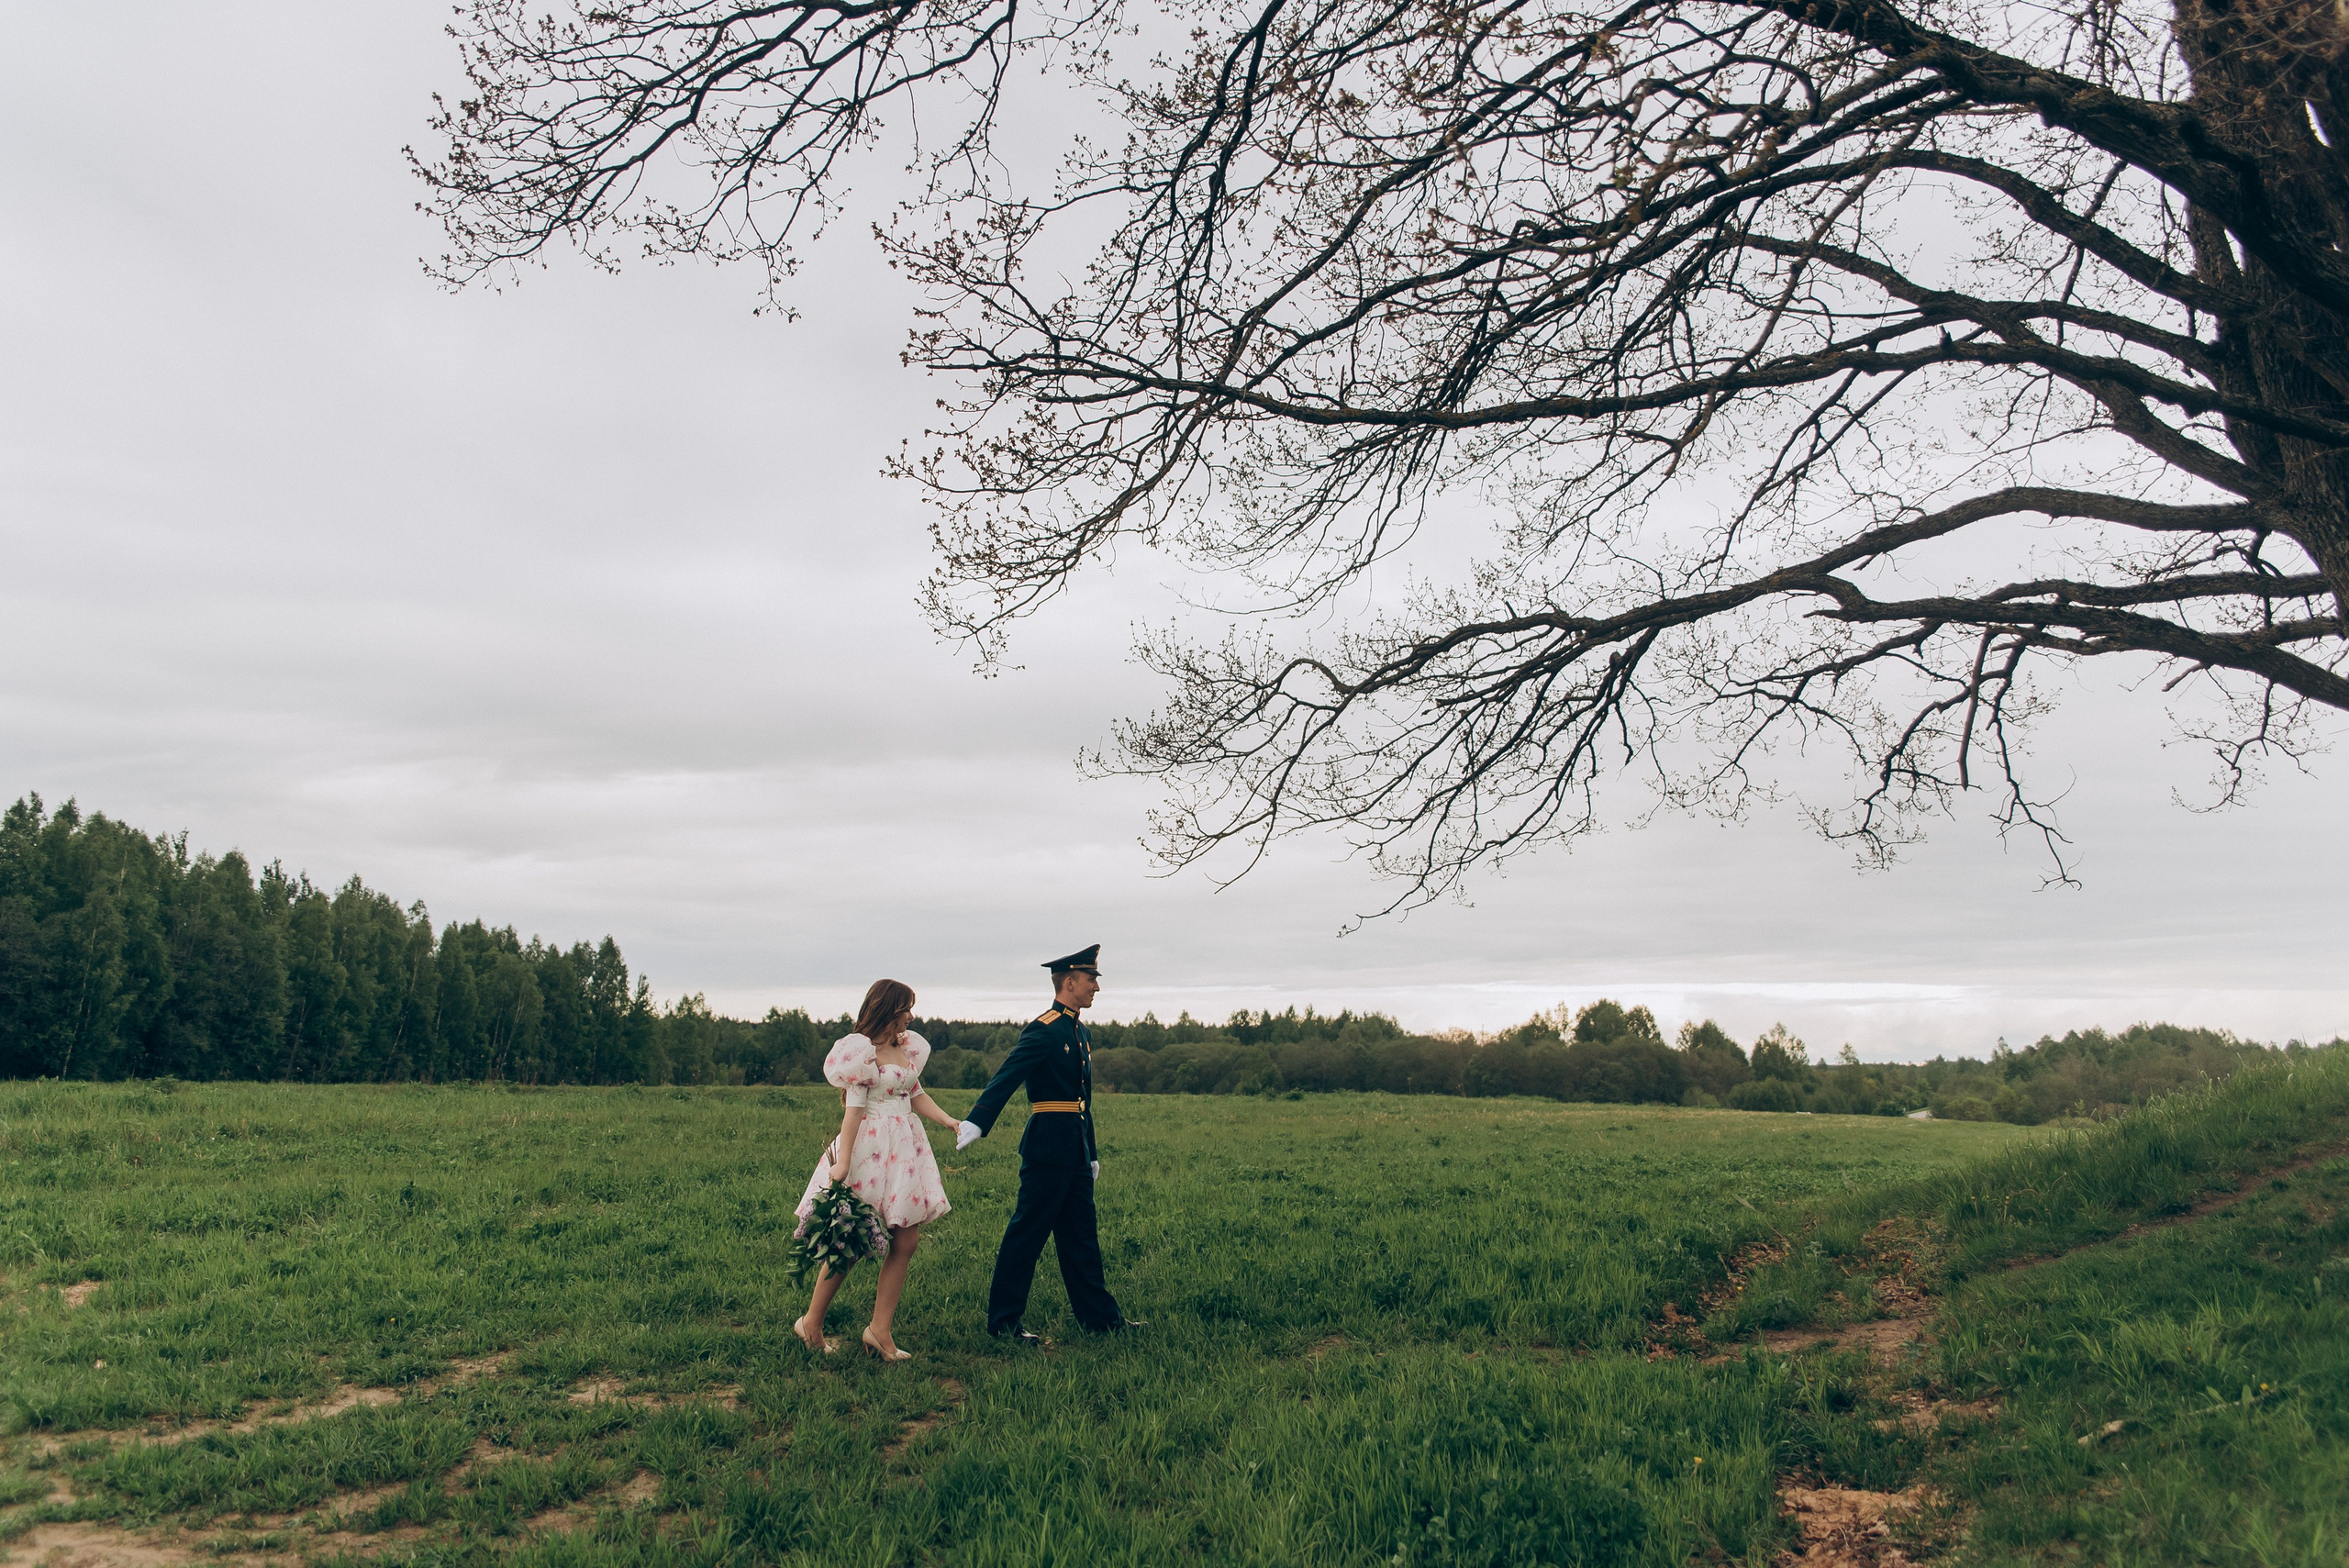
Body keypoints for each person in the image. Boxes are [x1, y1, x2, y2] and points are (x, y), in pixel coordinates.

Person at [953, 944, 1141, 1342]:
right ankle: (1004, 1325)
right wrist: (978, 1120)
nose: (1096, 988)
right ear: (1069, 981)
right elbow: (1008, 1074)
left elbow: (1082, 1101)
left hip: (1074, 1151)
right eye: (1091, 980)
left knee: (1082, 1238)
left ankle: (1101, 1320)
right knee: (1027, 1236)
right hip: (1046, 1149)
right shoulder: (1044, 1028)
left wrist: (1091, 1153)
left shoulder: (1080, 1031)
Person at [793, 978, 963, 1362]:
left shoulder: (907, 1048)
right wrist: (842, 1164)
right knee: (850, 1242)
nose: (911, 1016)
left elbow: (915, 1094)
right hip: (869, 1150)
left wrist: (949, 1121)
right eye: (906, 1008)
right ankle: (811, 1323)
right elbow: (852, 1115)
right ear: (889, 1009)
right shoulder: (862, 1053)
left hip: (904, 1149)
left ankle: (879, 1331)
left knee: (906, 1240)